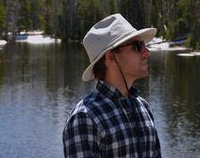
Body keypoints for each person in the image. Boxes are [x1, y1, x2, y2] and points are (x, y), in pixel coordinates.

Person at [63, 13, 161, 157]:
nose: (147, 52)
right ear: (110, 57)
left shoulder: (143, 107)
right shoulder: (84, 118)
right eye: (137, 46)